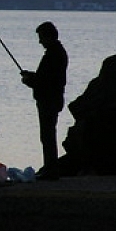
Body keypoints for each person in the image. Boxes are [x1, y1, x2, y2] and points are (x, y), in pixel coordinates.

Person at [20, 21, 68, 180]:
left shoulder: (53, 55)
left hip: (49, 101)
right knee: (47, 135)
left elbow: (45, 82)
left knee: (47, 136)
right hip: (52, 99)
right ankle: (50, 167)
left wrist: (29, 80)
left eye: (41, 37)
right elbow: (46, 78)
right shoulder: (57, 52)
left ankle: (51, 170)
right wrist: (32, 76)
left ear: (48, 36)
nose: (40, 41)